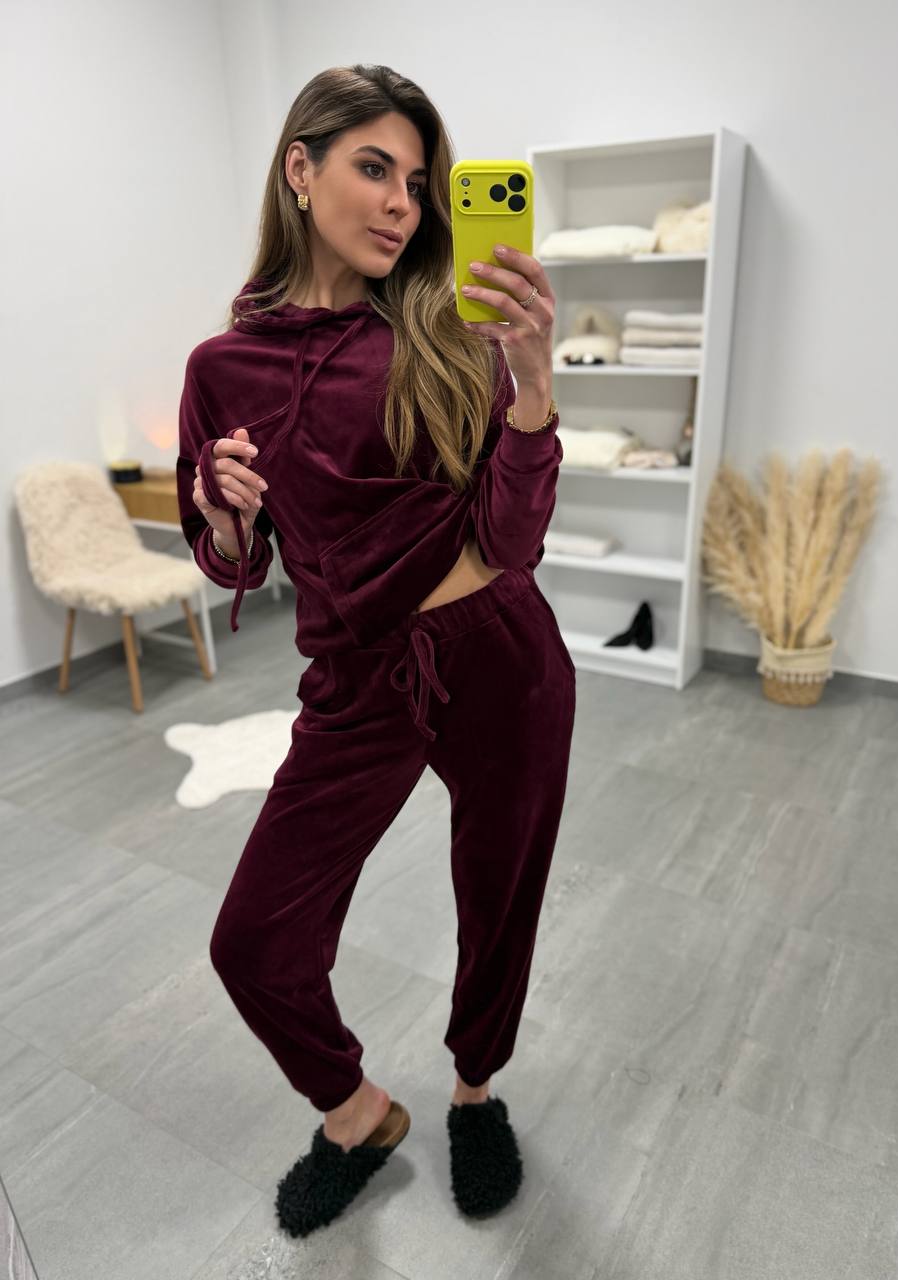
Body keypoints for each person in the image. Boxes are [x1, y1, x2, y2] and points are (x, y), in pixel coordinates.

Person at [176, 63, 576, 1232]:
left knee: (497, 888)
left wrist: (533, 386)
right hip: (356, 675)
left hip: (497, 648)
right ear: (299, 170)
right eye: (373, 168)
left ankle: (475, 1088)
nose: (402, 203)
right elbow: (236, 562)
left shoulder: (446, 331)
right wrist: (227, 519)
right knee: (254, 939)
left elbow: (512, 539)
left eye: (416, 180)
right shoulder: (221, 368)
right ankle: (357, 1112)